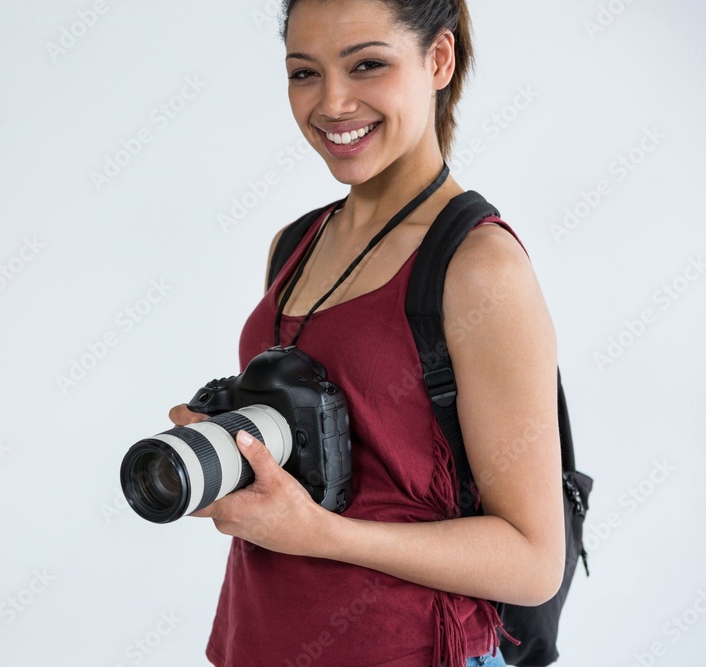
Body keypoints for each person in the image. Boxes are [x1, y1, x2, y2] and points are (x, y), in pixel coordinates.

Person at [167, 1, 564, 665]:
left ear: (439, 60)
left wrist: (319, 533)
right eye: (304, 73)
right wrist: (230, 448)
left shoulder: (479, 267)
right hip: (257, 642)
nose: (332, 103)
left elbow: (532, 561)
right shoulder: (295, 243)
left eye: (368, 65)